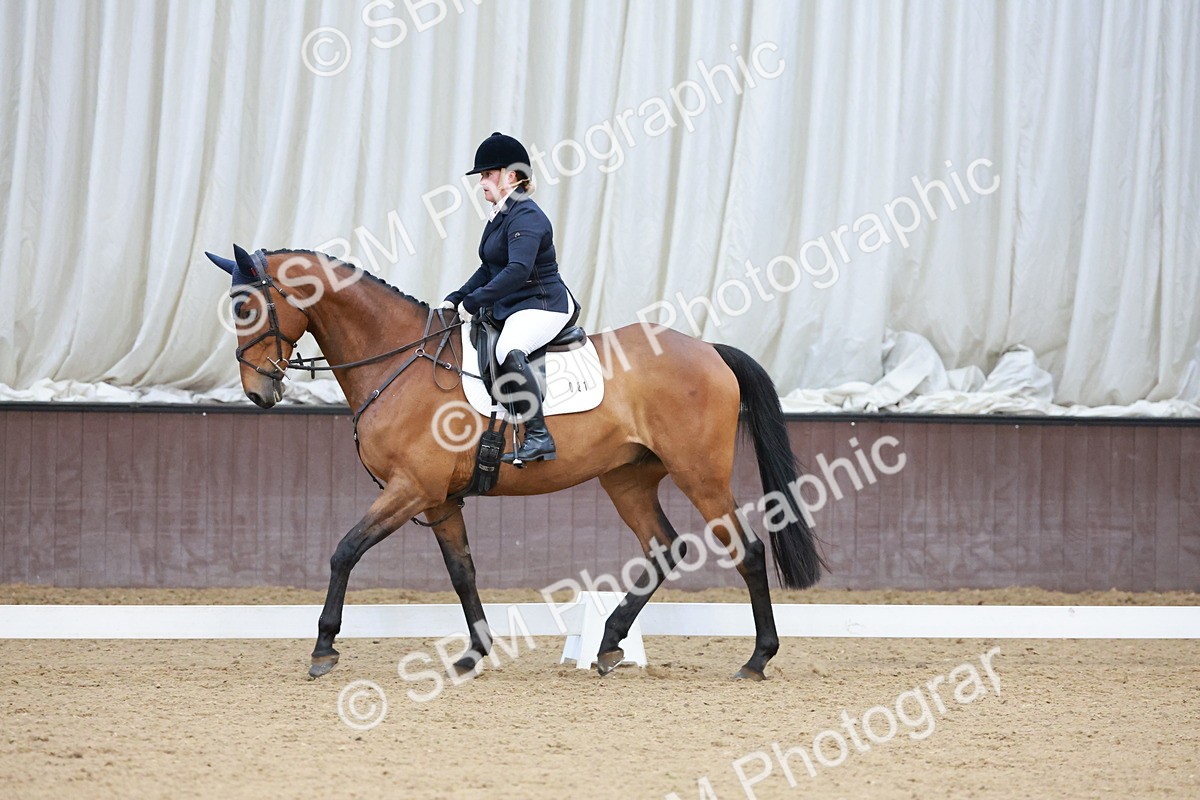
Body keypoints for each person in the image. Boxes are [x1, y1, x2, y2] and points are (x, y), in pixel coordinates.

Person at [441, 132, 579, 464]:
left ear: (511, 176)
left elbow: (517, 270)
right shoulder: (501, 217)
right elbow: (490, 268)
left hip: (543, 304)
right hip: (516, 304)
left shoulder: (527, 216)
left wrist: (473, 303)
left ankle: (538, 435)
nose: (482, 183)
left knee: (507, 349)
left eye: (488, 175)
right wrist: (457, 296)